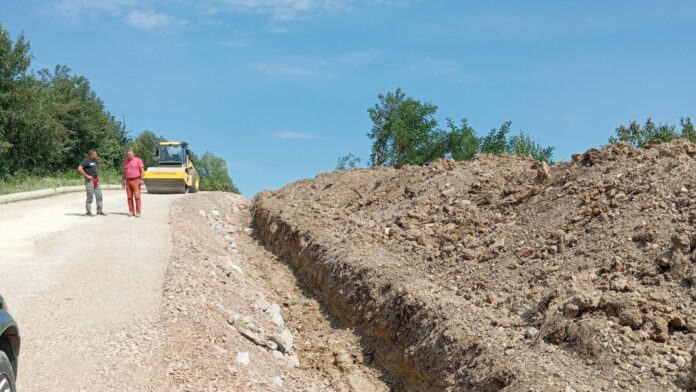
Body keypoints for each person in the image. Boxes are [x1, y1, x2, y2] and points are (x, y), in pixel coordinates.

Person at [77, 149, 105, 216]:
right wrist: (86, 175)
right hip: (89, 181)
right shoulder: (86, 161)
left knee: (99, 195)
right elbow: (79, 168)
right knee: (90, 196)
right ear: (91, 154)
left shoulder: (94, 161)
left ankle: (99, 211)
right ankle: (88, 212)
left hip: (96, 180)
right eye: (95, 154)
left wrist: (97, 177)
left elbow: (93, 170)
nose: (96, 155)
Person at [122, 149, 144, 217]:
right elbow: (124, 172)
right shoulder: (126, 162)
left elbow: (142, 170)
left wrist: (142, 179)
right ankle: (131, 211)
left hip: (136, 180)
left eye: (129, 154)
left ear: (133, 154)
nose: (128, 156)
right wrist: (123, 180)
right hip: (128, 181)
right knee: (129, 197)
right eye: (127, 155)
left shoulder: (138, 160)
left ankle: (138, 212)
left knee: (137, 197)